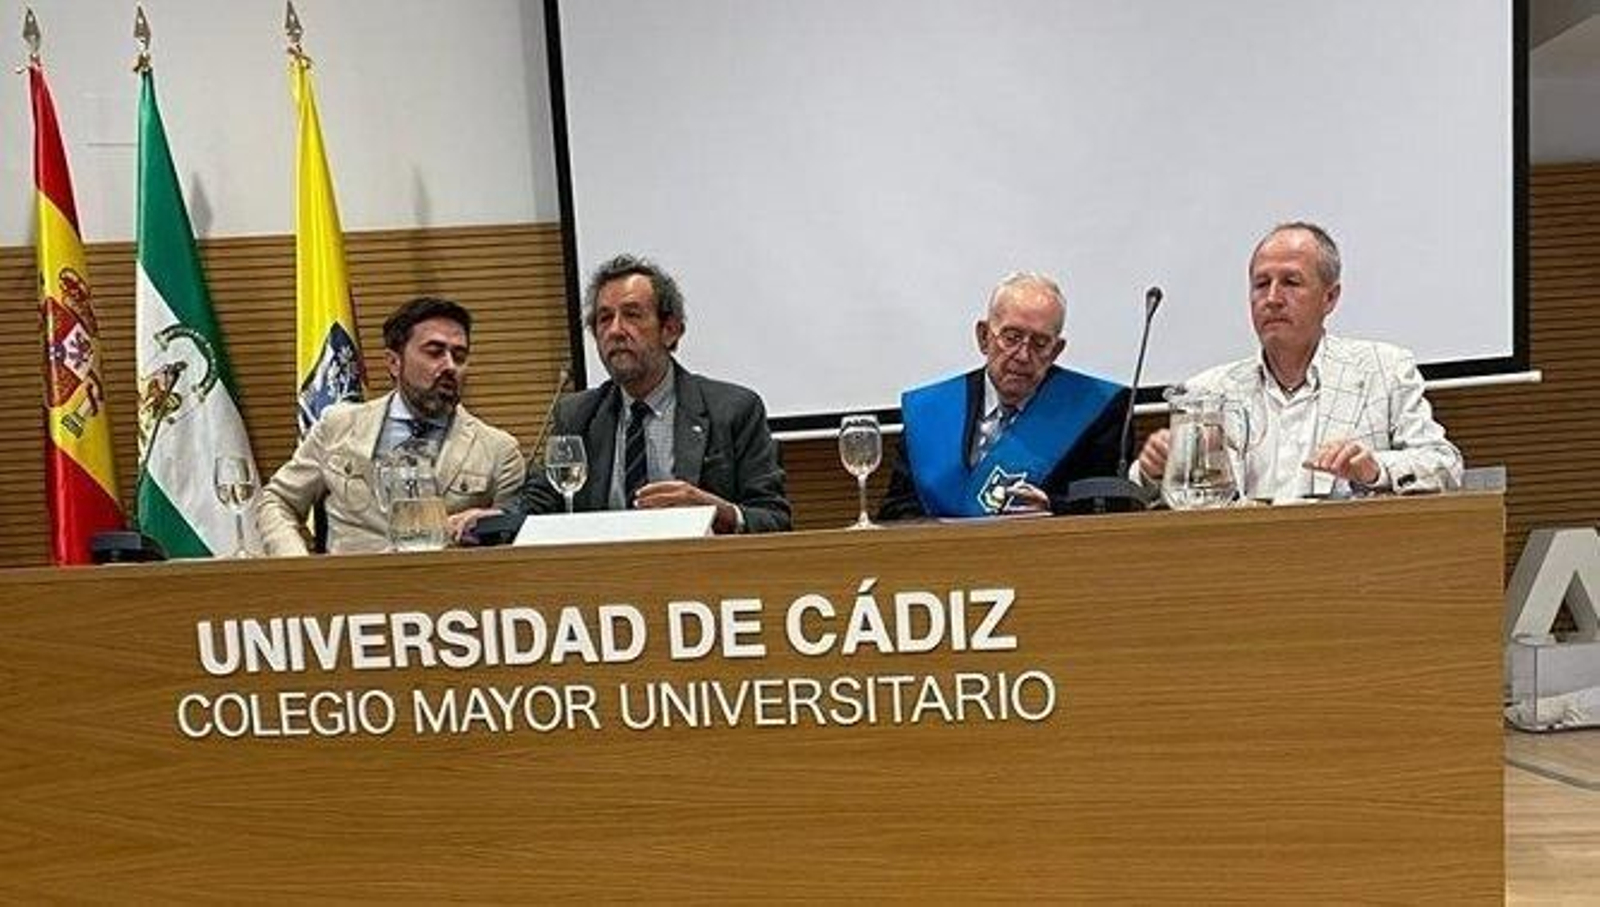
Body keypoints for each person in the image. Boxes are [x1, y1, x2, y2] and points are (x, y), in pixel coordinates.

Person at [1134, 221, 1463, 501]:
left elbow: (1445, 466)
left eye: (1291, 282)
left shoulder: (1384, 370)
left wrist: (1374, 469)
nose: (1273, 299)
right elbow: (1150, 497)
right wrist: (1151, 471)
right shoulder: (1207, 392)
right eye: (1261, 284)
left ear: (1330, 297)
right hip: (1240, 564)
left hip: (1351, 561)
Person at [513, 254, 790, 533]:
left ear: (670, 330)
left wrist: (718, 512)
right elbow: (536, 504)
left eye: (631, 315)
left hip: (698, 571)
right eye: (604, 319)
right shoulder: (577, 414)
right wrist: (491, 517)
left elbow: (774, 520)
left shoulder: (732, 410)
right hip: (605, 573)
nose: (615, 331)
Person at [257, 297, 525, 554]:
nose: (450, 366)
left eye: (459, 355)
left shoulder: (498, 450)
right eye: (434, 352)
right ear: (394, 363)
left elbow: (512, 539)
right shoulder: (338, 426)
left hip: (449, 593)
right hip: (348, 589)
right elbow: (277, 500)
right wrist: (297, 564)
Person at [879, 271, 1128, 519]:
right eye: (1011, 338)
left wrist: (1053, 508)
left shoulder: (1096, 410)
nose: (1022, 355)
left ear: (1056, 351)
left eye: (1040, 343)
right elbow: (896, 512)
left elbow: (1108, 508)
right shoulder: (930, 411)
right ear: (984, 337)